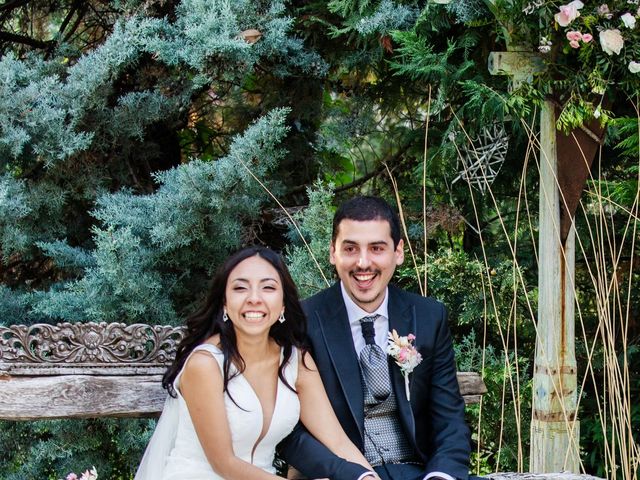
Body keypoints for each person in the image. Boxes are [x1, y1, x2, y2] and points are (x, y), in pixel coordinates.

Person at [135, 246, 379, 480]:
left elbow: (337, 441)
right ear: (224, 303)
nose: (254, 299)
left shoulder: (296, 361)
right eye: (240, 288)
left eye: (268, 288)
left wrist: (369, 476)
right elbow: (224, 463)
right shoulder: (206, 364)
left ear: (283, 304)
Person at [279, 196, 471, 480]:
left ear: (398, 252)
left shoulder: (429, 316)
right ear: (333, 252)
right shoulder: (303, 322)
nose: (363, 262)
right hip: (339, 474)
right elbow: (290, 431)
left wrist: (440, 476)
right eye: (350, 248)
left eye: (377, 248)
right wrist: (353, 474)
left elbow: (450, 421)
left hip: (419, 472)